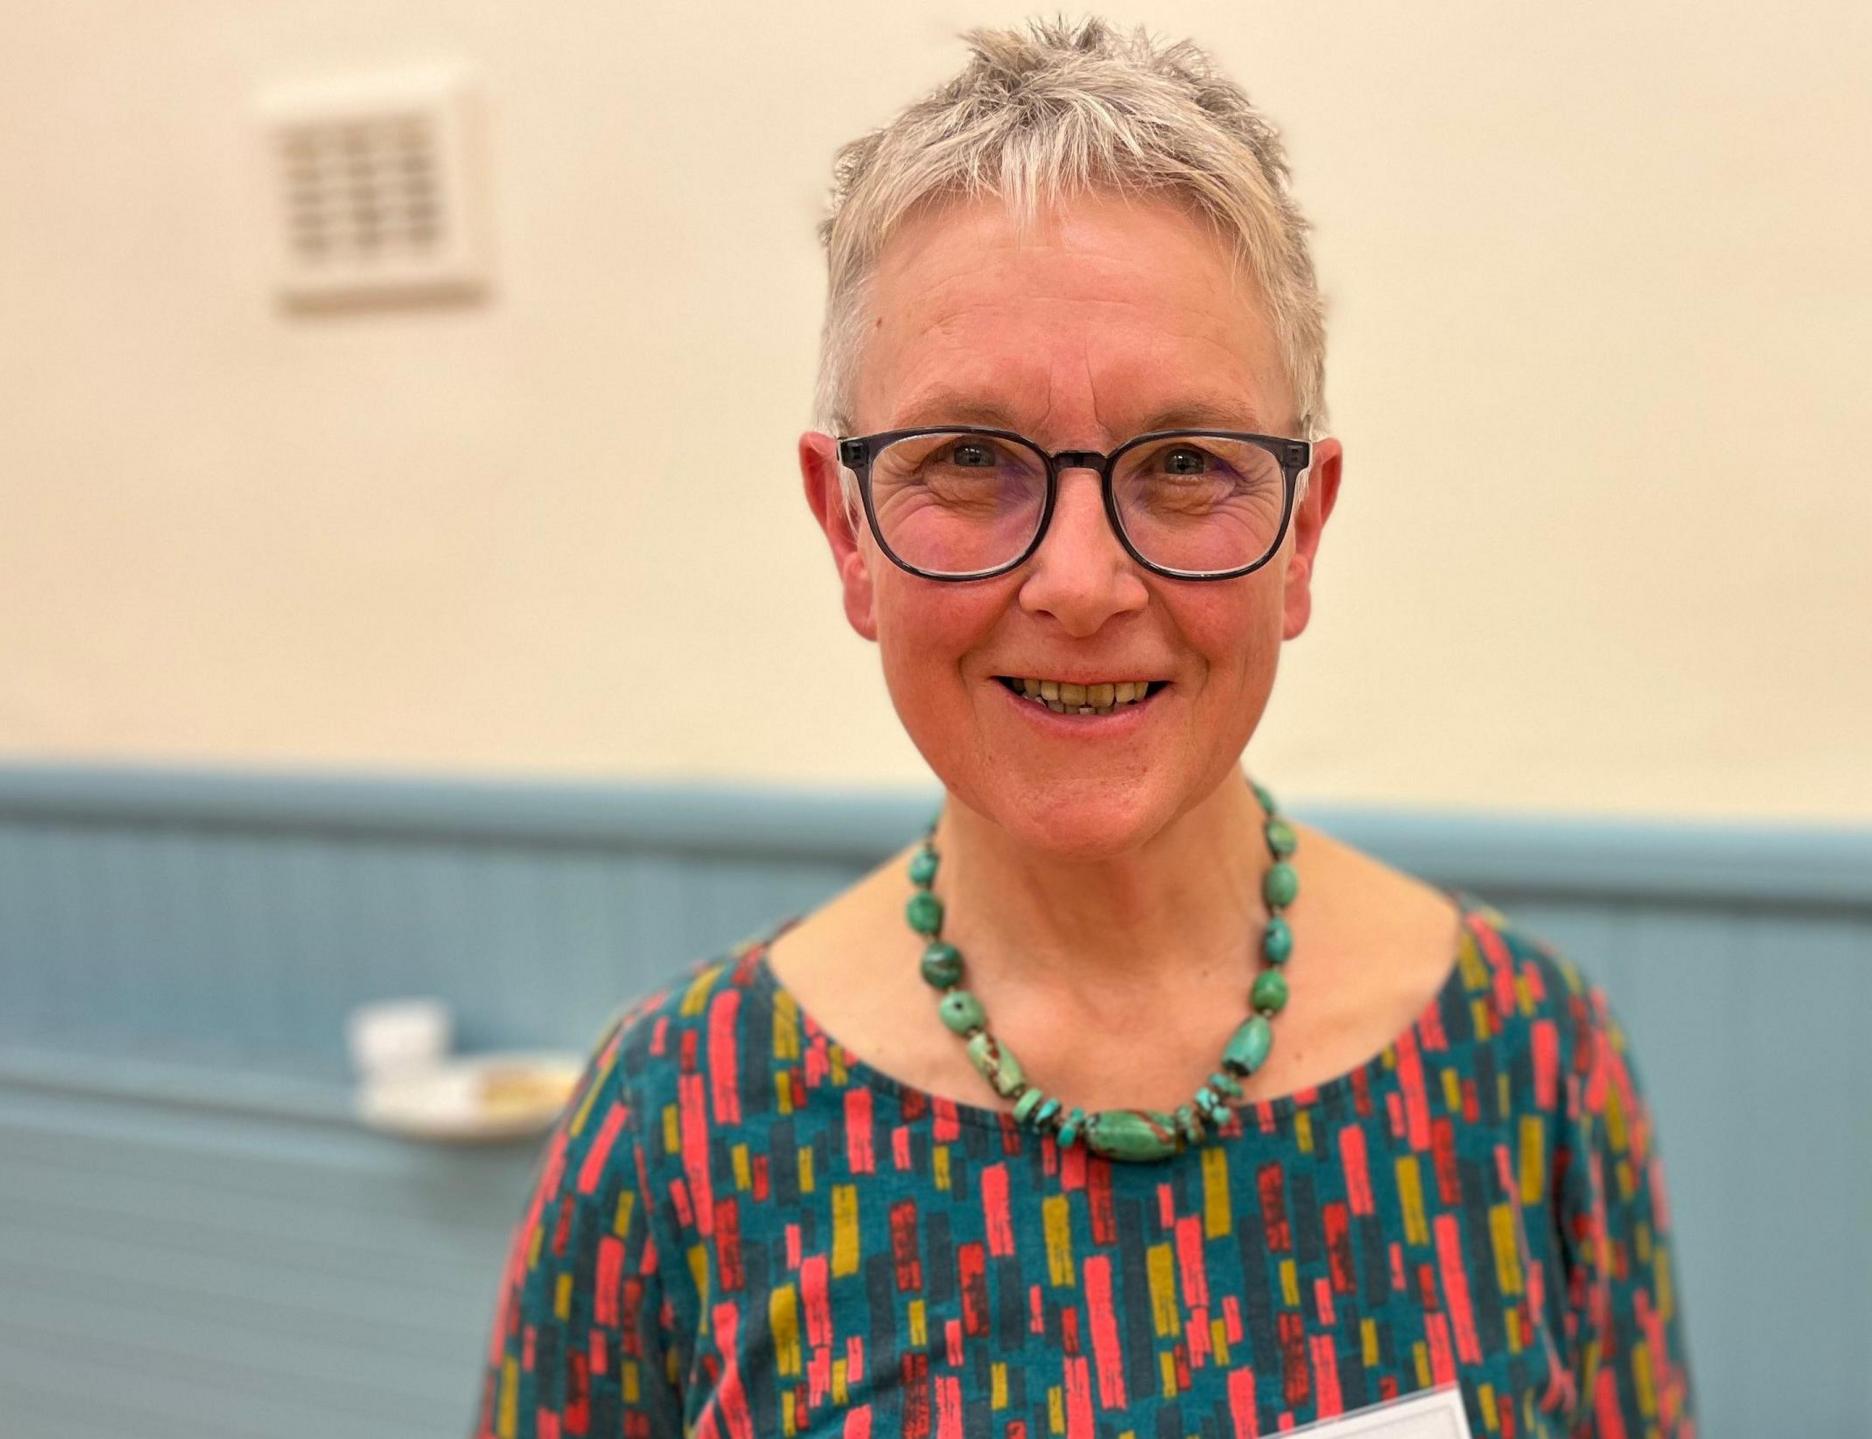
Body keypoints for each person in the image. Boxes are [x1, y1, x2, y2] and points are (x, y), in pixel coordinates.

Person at [473, 16, 1694, 1437]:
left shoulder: (1524, 1062)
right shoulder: (681, 1128)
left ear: (1302, 534)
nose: (1079, 582)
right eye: (970, 460)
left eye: (1184, 464)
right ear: (848, 531)